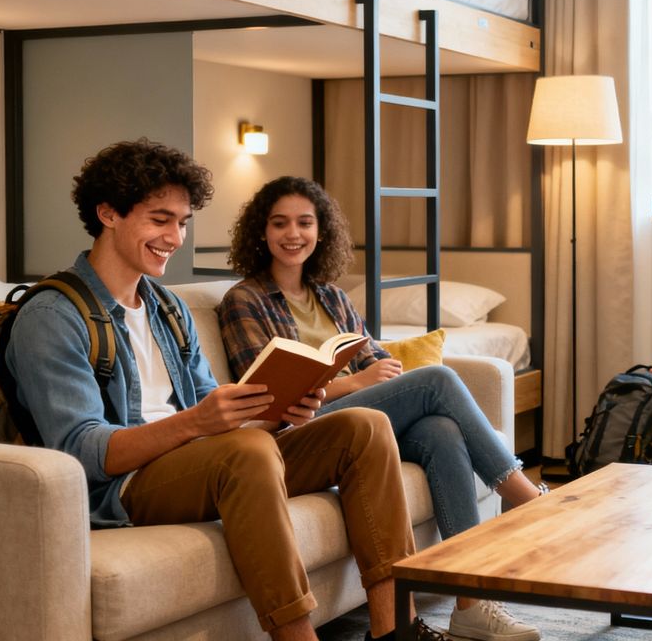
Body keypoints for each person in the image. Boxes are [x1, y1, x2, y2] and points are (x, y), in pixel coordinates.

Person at [5, 139, 441, 641]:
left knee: (364, 426)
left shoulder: (167, 308)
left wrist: (281, 412)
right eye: (160, 220)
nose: (175, 237)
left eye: (183, 222)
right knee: (246, 452)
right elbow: (81, 451)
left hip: (203, 460)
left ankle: (395, 630)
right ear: (108, 214)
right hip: (124, 487)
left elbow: (221, 417)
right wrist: (198, 422)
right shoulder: (53, 315)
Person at [217, 176, 546, 641]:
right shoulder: (244, 300)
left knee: (440, 431)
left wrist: (378, 377)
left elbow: (377, 360)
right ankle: (526, 501)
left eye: (305, 223)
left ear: (321, 231)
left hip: (363, 424)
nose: (293, 234)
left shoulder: (332, 297)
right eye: (280, 223)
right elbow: (267, 395)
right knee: (437, 380)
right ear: (261, 231)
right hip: (297, 432)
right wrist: (355, 382)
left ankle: (471, 602)